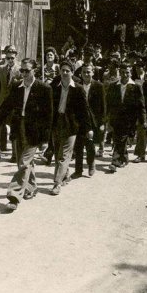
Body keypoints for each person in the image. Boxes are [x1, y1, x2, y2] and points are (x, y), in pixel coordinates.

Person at [0, 58, 52, 210]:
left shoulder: (44, 88)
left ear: (34, 70)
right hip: (18, 128)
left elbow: (48, 115)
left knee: (24, 162)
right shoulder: (16, 86)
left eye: (27, 70)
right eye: (22, 70)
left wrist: (45, 139)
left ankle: (14, 196)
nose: (23, 73)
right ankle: (32, 187)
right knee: (24, 163)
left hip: (34, 131)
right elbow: (6, 106)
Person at [50, 61, 92, 194]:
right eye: (62, 70)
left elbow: (85, 110)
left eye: (67, 71)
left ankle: (57, 183)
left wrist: (88, 128)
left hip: (71, 125)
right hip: (57, 123)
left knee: (65, 155)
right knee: (57, 154)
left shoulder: (78, 89)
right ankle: (65, 175)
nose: (64, 73)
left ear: (72, 73)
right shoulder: (54, 87)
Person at [106, 63, 146, 172]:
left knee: (121, 138)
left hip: (129, 119)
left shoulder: (136, 86)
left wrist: (143, 121)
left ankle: (115, 161)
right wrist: (106, 119)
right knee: (117, 138)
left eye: (127, 72)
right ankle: (124, 158)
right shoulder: (113, 86)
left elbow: (141, 105)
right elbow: (108, 103)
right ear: (119, 72)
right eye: (122, 72)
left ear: (130, 73)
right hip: (116, 118)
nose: (125, 75)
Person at [0, 45, 21, 163]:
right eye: (8, 58)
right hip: (1, 103)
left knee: (14, 129)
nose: (10, 60)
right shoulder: (0, 69)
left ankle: (15, 155)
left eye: (12, 58)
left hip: (13, 104)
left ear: (16, 57)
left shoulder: (20, 70)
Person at [73, 63, 105, 177]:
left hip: (93, 121)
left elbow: (103, 106)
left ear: (92, 73)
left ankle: (91, 164)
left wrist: (102, 123)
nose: (86, 74)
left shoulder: (99, 86)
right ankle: (78, 170)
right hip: (80, 120)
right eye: (84, 72)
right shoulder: (76, 85)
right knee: (78, 146)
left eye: (88, 72)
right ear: (81, 74)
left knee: (90, 145)